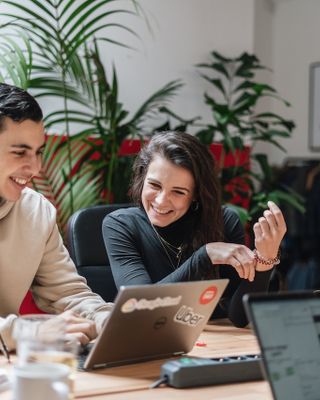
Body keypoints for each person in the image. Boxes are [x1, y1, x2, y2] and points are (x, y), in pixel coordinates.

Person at [102, 131, 286, 327]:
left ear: (196, 194)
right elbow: (141, 309)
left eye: (178, 192)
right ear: (142, 178)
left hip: (213, 346)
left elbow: (239, 318)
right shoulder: (120, 225)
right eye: (154, 185)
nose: (161, 200)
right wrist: (205, 256)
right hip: (146, 342)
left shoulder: (224, 221)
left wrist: (265, 260)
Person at [0, 83, 113, 351]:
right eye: (20, 152)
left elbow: (68, 294)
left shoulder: (37, 211)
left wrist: (109, 320)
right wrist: (28, 332)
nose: (36, 168)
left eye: (39, 152)